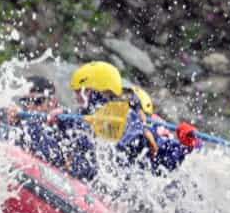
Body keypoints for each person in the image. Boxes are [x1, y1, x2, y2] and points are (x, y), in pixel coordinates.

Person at [70, 62, 200, 174]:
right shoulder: (89, 117)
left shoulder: (130, 120)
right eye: (76, 92)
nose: (76, 97)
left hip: (124, 182)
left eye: (82, 92)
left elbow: (169, 154)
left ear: (103, 91)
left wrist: (191, 143)